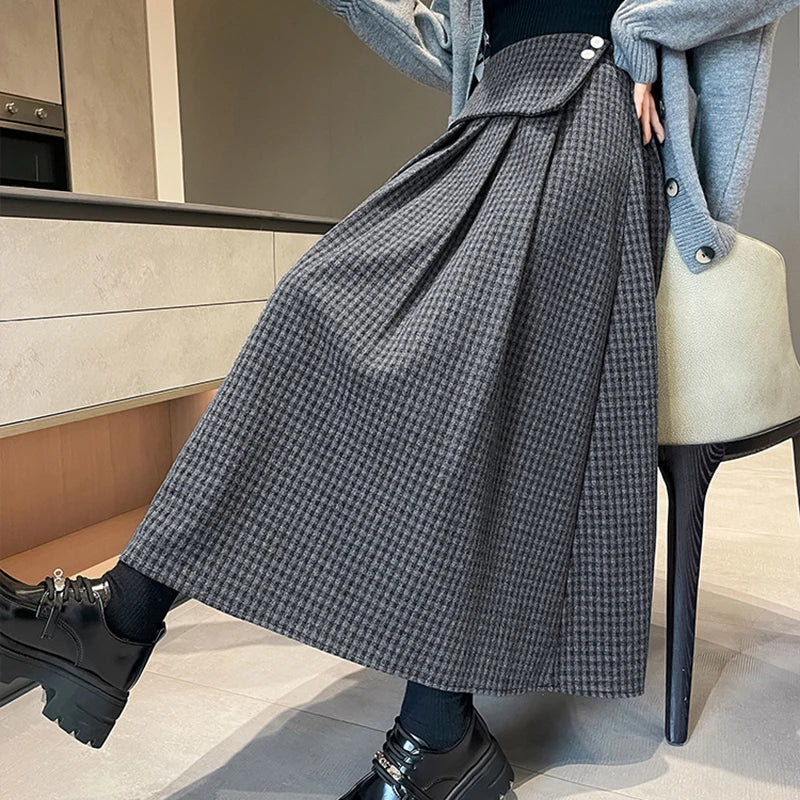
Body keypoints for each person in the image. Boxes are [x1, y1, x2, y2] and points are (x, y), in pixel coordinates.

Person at [0, 1, 793, 798]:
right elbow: (444, 50)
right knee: (310, 298)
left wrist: (644, 28)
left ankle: (432, 729)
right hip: (483, 125)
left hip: (594, 114)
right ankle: (123, 616)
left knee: (476, 347)